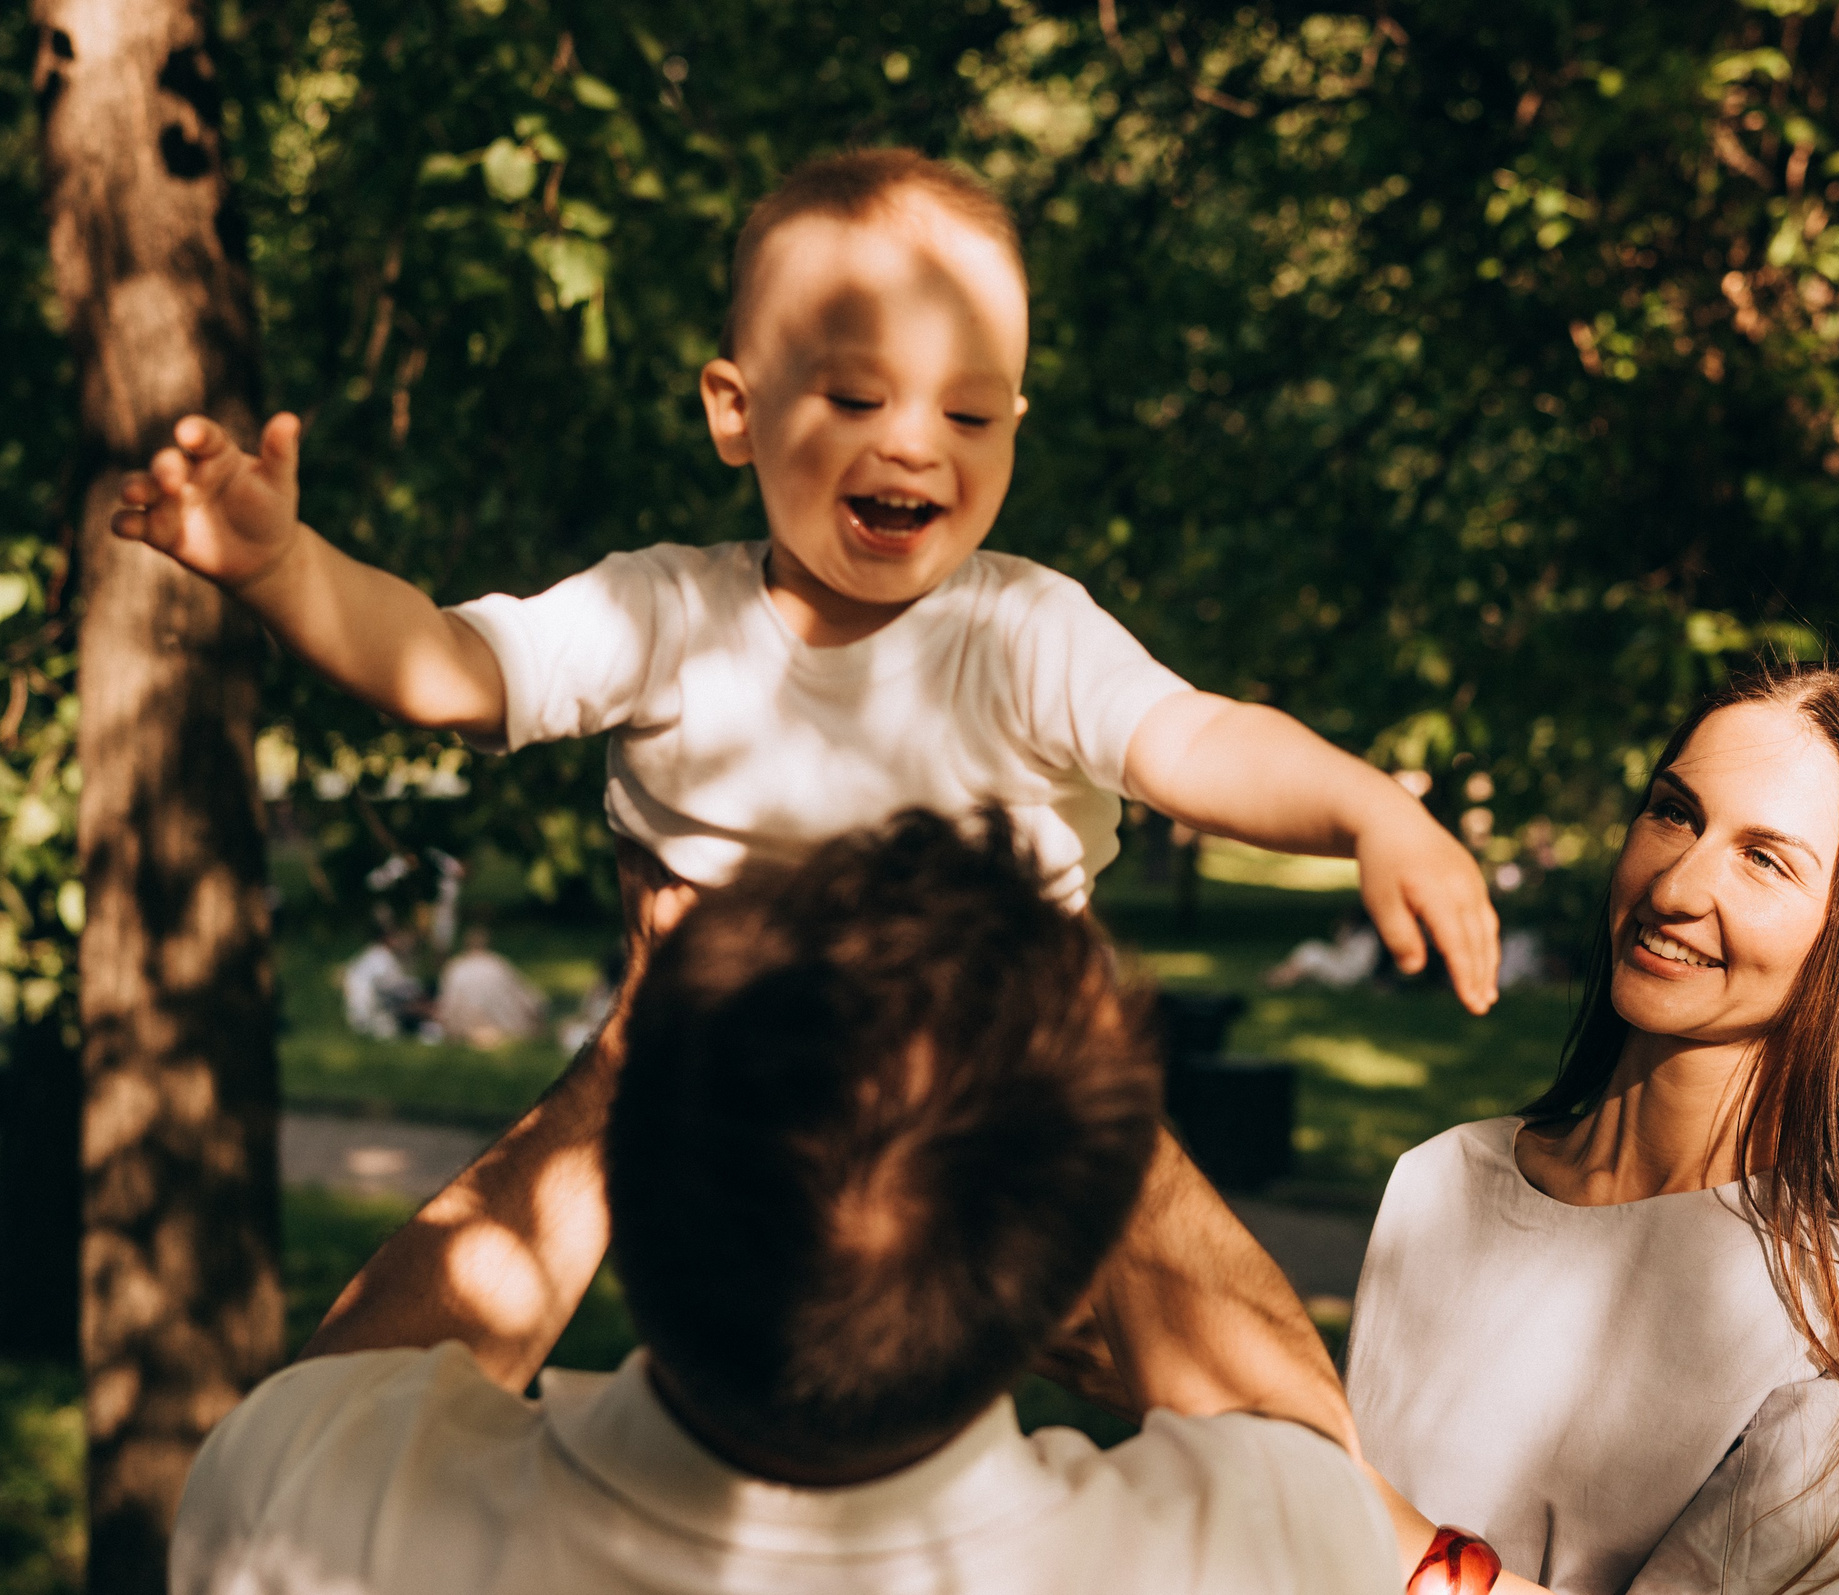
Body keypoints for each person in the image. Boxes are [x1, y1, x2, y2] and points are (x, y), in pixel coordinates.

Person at [107, 146, 1499, 1013]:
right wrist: (285, 566)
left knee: (1194, 1328)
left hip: (988, 1072)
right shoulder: (668, 615)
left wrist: (1369, 806)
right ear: (735, 409)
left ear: (1015, 427)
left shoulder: (1022, 629)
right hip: (728, 1080)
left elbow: (1198, 739)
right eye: (854, 394)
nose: (914, 441)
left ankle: (1353, 1495)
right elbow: (453, 672)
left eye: (968, 413)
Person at [172, 812, 1407, 1595]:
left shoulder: (320, 1511)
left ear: (620, 1207)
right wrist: (1070, 1012)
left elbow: (328, 1395)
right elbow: (1285, 1420)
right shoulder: (1239, 1552)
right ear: (1062, 1280)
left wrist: (623, 1056)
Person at [1346, 667, 1839, 1594]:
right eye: (1674, 812)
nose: (1676, 884)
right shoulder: (1443, 1183)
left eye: (1765, 858)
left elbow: (1337, 1521)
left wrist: (1368, 1524)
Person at [432, 925, 549, 1049]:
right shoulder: (498, 964)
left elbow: (446, 1005)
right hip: (504, 1029)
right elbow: (531, 1000)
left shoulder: (455, 967)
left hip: (463, 1029)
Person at [339, 921, 429, 1040]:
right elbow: (395, 987)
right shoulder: (382, 957)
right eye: (396, 937)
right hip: (370, 1011)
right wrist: (418, 991)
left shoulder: (371, 954)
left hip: (361, 1009)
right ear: (388, 939)